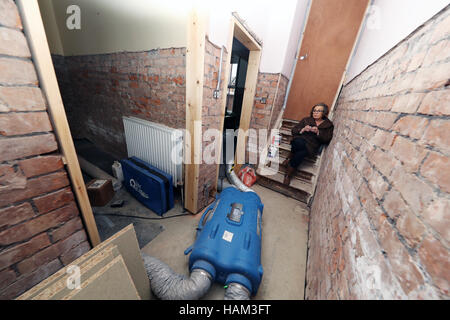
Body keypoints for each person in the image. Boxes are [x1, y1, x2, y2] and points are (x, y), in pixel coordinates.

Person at [283, 103, 334, 185]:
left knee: (301, 153)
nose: (315, 112)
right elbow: (294, 130)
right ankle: (288, 175)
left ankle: (289, 162)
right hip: (300, 140)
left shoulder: (328, 125)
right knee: (299, 143)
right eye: (314, 111)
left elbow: (327, 139)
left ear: (324, 112)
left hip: (312, 146)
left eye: (319, 111)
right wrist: (302, 129)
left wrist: (318, 132)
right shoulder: (306, 120)